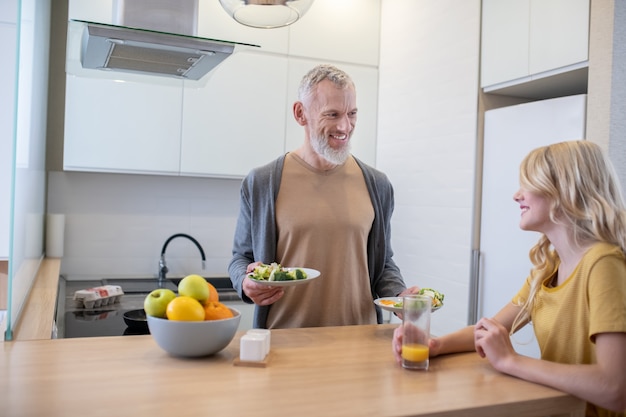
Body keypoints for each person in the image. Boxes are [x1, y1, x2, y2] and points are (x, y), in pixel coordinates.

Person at [393, 140, 626, 417]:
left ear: (565, 190)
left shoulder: (603, 265)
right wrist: (434, 344)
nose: (517, 195)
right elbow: (489, 329)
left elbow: (615, 389)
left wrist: (510, 361)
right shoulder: (547, 269)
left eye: (528, 184)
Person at [228, 64, 418, 329]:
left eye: (352, 114)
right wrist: (245, 283)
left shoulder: (377, 184)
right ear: (300, 113)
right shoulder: (262, 182)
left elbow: (382, 263)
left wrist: (399, 296)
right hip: (283, 342)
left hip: (358, 344)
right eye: (332, 114)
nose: (345, 126)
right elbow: (241, 259)